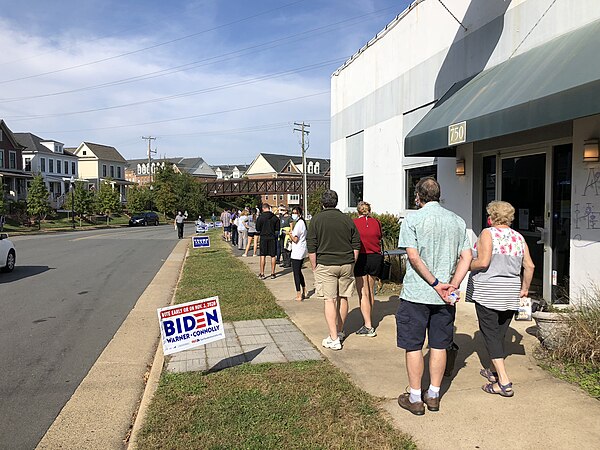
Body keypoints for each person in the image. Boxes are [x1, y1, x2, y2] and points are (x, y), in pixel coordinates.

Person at [396, 177, 472, 415]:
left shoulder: (413, 219)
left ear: (418, 197)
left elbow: (414, 257)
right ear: (439, 195)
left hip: (417, 293)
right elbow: (467, 257)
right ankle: (434, 394)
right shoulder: (457, 221)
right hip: (445, 297)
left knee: (414, 345)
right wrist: (453, 285)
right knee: (440, 345)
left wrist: (436, 284)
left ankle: (416, 397)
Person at [466, 200, 535, 398]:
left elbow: (483, 261)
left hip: (489, 291)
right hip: (511, 292)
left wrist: (467, 265)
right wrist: (525, 289)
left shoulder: (488, 233)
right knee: (499, 333)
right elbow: (529, 266)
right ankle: (492, 370)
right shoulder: (519, 237)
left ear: (491, 216)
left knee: (489, 334)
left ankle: (503, 382)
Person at [307, 189, 361, 351]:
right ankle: (339, 330)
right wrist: (352, 262)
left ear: (322, 203)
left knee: (330, 299)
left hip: (326, 263)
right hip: (346, 263)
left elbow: (312, 247)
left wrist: (314, 266)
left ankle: (333, 337)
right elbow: (356, 244)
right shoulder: (347, 220)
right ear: (336, 202)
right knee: (343, 297)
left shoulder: (316, 220)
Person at [352, 201, 383, 337]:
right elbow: (379, 237)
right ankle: (368, 318)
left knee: (362, 292)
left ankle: (368, 325)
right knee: (370, 291)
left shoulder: (354, 223)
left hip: (362, 257)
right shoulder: (377, 222)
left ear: (358, 211)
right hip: (375, 257)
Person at [288, 206, 308, 301]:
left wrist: (289, 235)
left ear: (299, 214)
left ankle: (298, 294)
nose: (293, 214)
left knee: (296, 272)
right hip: (302, 249)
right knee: (299, 271)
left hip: (297, 251)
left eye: (295, 213)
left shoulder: (299, 224)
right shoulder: (302, 223)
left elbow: (295, 239)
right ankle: (304, 290)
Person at [256, 203, 280, 279]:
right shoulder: (275, 217)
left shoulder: (260, 217)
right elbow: (277, 229)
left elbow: (257, 228)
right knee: (273, 255)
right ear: (269, 208)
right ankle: (273, 273)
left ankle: (262, 273)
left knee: (263, 255)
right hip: (272, 237)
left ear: (263, 208)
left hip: (263, 237)